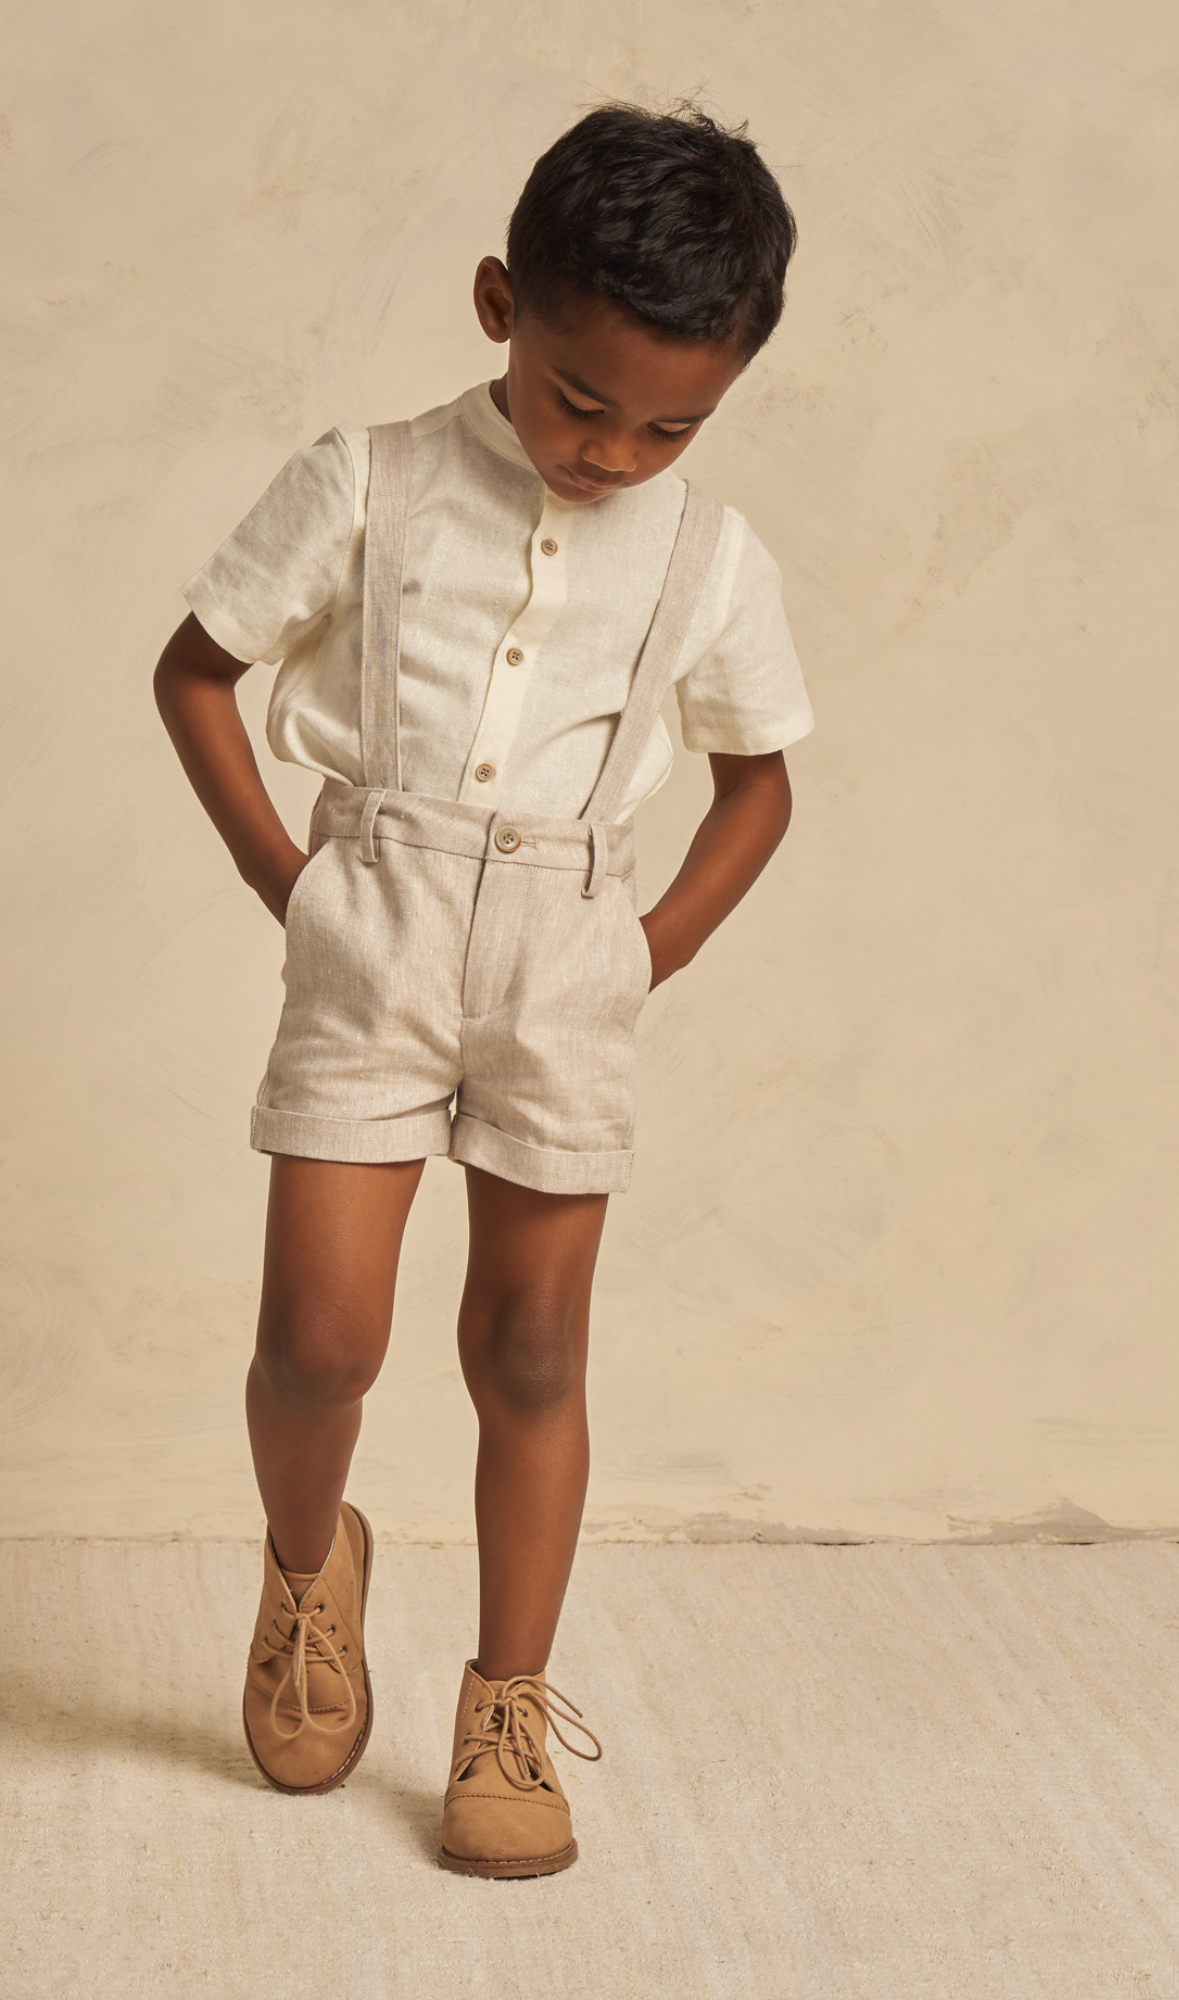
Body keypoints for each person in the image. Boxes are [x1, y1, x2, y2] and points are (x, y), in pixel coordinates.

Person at [153, 101, 811, 1878]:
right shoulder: (366, 477)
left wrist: (641, 947)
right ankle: (310, 1574)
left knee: (529, 1345)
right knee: (319, 1342)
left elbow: (761, 782)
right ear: (498, 303)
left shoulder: (710, 559)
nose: (612, 452)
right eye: (578, 399)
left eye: (670, 423)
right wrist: (289, 885)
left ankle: (504, 1707)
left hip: (565, 955)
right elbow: (197, 672)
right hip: (371, 921)